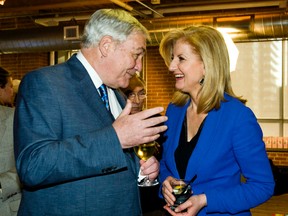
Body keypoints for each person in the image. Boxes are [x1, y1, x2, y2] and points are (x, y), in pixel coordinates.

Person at [13, 9, 168, 216]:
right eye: (136, 54)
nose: (138, 66)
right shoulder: (45, 83)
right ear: (106, 46)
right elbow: (33, 165)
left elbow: (113, 163)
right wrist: (116, 138)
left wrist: (142, 172)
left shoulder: (118, 96)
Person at [158, 25, 275, 216]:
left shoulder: (238, 117)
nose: (171, 67)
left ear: (206, 65)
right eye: (172, 58)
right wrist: (165, 181)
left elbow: (262, 186)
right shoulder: (174, 110)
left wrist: (205, 200)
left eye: (181, 59)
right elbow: (165, 163)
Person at [120, 74, 164, 215]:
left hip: (153, 200)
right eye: (131, 94)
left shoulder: (156, 122)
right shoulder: (113, 125)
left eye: (141, 94)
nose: (137, 100)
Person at [0, 66, 22, 216]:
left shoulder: (15, 118)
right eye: (9, 86)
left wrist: (2, 184)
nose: (12, 91)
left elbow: (30, 163)